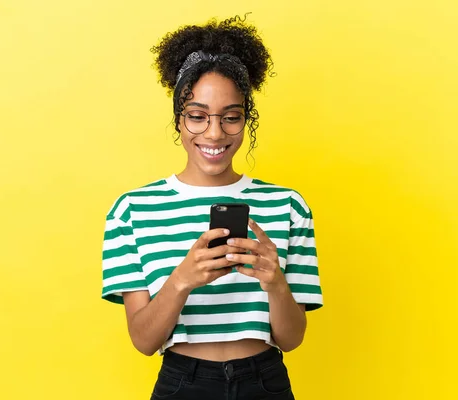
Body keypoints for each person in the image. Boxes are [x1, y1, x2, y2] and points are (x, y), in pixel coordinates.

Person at [101, 15, 323, 400]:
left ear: (246, 119)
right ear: (179, 120)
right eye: (198, 117)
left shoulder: (288, 205)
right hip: (182, 382)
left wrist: (275, 283)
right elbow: (143, 340)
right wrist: (182, 279)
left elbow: (291, 339)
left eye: (231, 117)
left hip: (265, 381)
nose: (215, 133)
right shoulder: (132, 210)